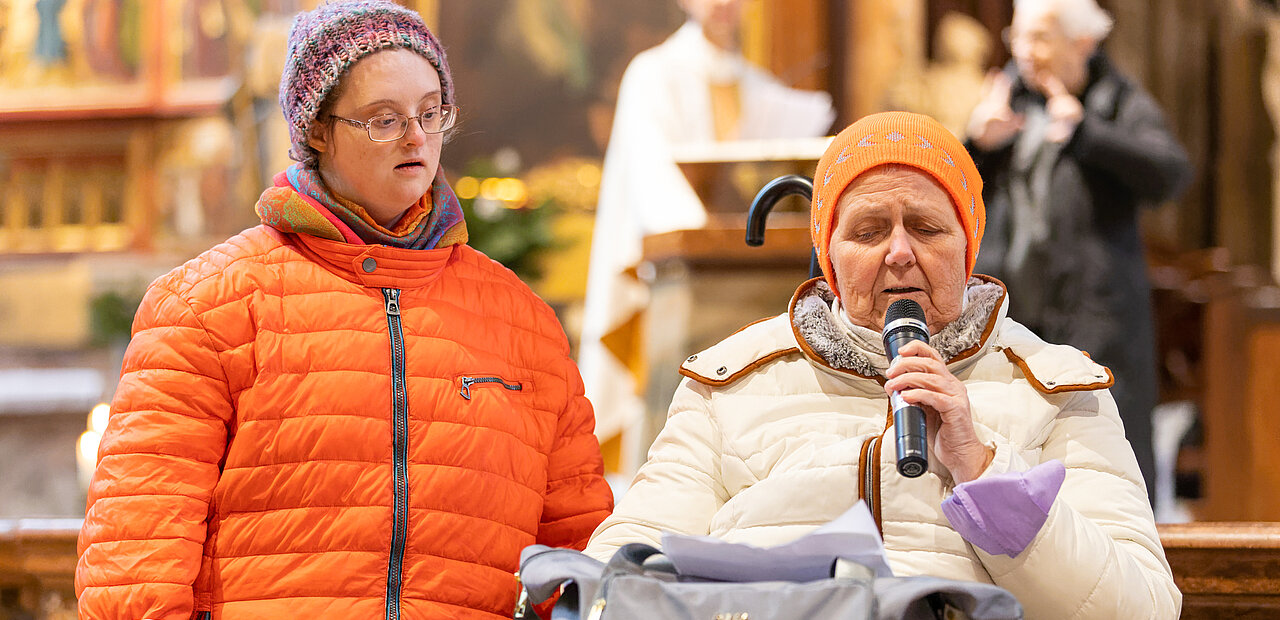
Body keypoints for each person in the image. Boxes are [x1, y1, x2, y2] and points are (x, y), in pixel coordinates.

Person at [74, 3, 613, 618]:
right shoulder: (205, 306)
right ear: (317, 131)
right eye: (383, 119)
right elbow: (136, 558)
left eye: (431, 112)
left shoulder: (523, 323)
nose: (416, 137)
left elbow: (578, 557)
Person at [586, 112, 1181, 618]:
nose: (899, 253)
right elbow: (621, 576)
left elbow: (1140, 606)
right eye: (869, 232)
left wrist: (986, 473)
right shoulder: (729, 384)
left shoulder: (1056, 389)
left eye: (926, 228)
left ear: (968, 246)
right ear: (829, 257)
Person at [579, 0, 836, 476]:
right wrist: (709, 232)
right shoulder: (653, 74)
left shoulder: (760, 85)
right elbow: (652, 180)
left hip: (751, 276)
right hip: (683, 276)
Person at [965, 0, 1191, 501]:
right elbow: (950, 201)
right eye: (1017, 38)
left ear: (1082, 44)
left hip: (1096, 316)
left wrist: (1088, 132)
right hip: (1014, 316)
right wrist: (977, 143)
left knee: (1108, 458)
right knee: (1009, 454)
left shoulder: (1114, 98)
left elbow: (1170, 175)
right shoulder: (1007, 99)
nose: (1025, 52)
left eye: (1040, 38)